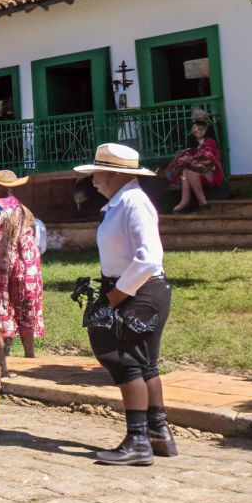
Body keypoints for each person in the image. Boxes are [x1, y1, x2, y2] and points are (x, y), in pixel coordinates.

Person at [75, 143, 176, 465]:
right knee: (144, 362)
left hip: (139, 290)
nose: (93, 180)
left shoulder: (134, 203)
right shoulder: (120, 204)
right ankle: (157, 431)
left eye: (98, 173)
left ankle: (138, 441)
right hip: (131, 287)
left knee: (123, 358)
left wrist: (116, 295)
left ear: (116, 175)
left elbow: (148, 258)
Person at [0, 170, 44, 364]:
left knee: (2, 303)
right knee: (26, 303)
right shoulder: (25, 209)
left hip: (3, 264)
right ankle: (30, 355)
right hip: (27, 265)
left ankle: (2, 358)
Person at [165, 110, 224, 214]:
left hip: (210, 172)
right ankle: (185, 200)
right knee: (186, 170)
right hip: (197, 171)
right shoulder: (192, 142)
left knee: (190, 170)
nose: (197, 129)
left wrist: (193, 160)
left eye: (200, 126)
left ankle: (202, 201)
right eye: (195, 126)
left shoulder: (211, 142)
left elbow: (209, 160)